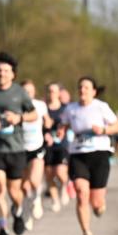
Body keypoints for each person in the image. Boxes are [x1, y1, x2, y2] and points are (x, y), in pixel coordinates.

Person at [0, 52, 38, 235]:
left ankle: (19, 210)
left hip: (15, 148)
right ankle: (2, 229)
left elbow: (34, 114)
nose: (1, 74)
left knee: (14, 191)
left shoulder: (19, 92)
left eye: (6, 71)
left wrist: (19, 118)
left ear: (13, 74)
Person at [59, 77, 118, 235]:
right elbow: (63, 124)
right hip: (78, 154)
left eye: (86, 87)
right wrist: (61, 131)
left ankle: (99, 205)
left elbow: (117, 126)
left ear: (94, 91)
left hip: (99, 154)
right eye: (80, 87)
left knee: (97, 202)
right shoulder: (71, 109)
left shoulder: (101, 107)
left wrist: (104, 129)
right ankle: (86, 233)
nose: (82, 90)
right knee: (81, 192)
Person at [19, 79, 49, 224]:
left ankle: (37, 200)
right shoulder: (16, 106)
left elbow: (47, 121)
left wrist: (49, 130)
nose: (27, 94)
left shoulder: (40, 105)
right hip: (20, 148)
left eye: (30, 91)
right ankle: (28, 210)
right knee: (24, 186)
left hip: (36, 146)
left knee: (34, 180)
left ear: (34, 92)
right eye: (25, 91)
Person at [43, 82, 70, 212]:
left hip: (61, 145)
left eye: (54, 91)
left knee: (60, 172)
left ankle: (64, 187)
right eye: (49, 91)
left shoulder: (65, 109)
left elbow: (71, 123)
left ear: (59, 93)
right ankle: (55, 199)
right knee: (49, 175)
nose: (51, 93)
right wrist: (45, 134)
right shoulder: (43, 109)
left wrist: (64, 129)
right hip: (47, 146)